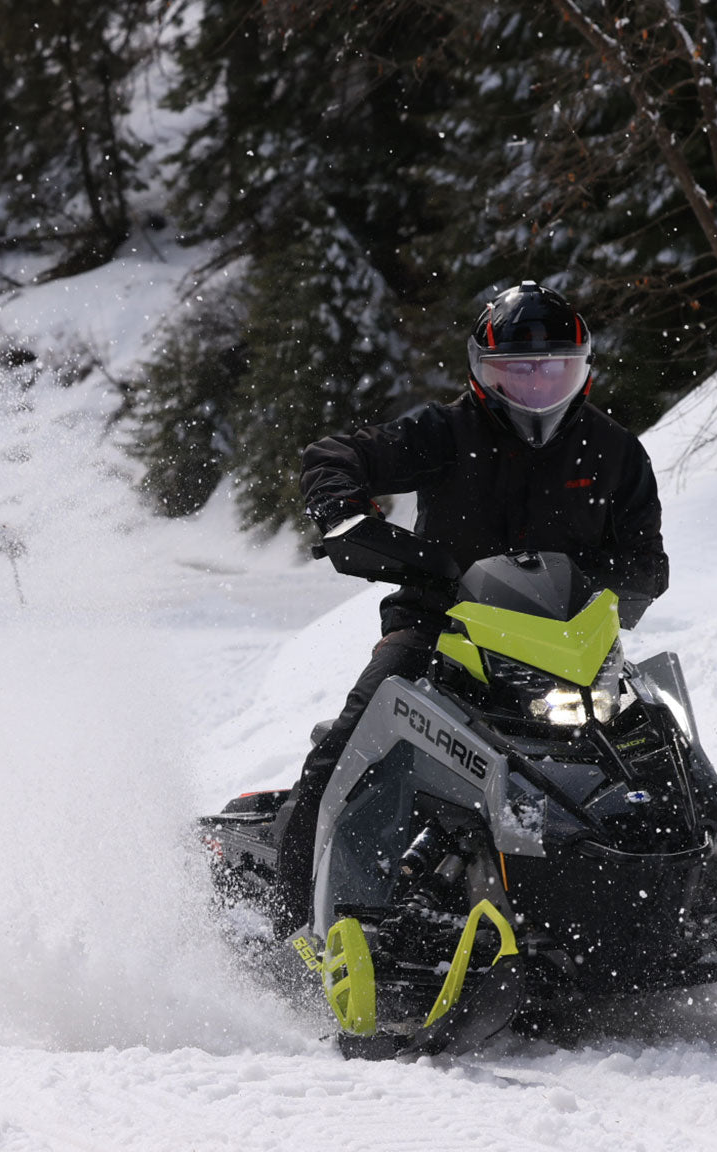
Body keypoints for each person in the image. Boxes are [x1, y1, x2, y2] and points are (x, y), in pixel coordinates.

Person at [270, 280, 670, 935]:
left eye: (554, 371)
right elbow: (338, 455)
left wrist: (614, 586)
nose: (536, 389)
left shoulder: (613, 453)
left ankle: (686, 892)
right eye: (517, 374)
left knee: (651, 749)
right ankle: (295, 930)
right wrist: (344, 511)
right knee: (343, 754)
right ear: (482, 375)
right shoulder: (446, 432)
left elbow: (648, 563)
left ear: (584, 373)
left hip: (561, 644)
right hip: (437, 628)